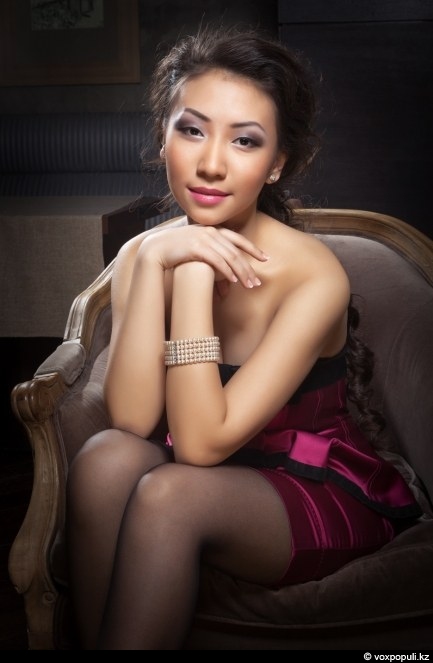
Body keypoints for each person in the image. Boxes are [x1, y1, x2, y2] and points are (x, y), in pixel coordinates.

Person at [66, 25, 422, 650]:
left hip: (313, 485)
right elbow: (132, 419)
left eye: (245, 140)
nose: (211, 163)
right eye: (192, 130)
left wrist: (194, 274)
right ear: (163, 138)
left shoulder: (315, 278)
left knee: (170, 495)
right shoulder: (146, 254)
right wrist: (156, 261)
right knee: (103, 460)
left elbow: (199, 447)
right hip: (205, 469)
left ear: (277, 163)